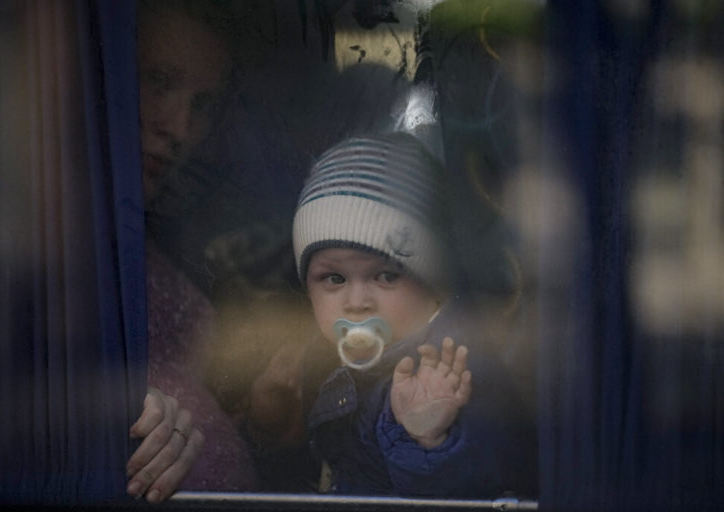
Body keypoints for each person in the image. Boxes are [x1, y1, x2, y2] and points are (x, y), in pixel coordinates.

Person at [290, 132, 537, 498]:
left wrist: (429, 440)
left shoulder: (454, 369)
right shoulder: (324, 360)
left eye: (387, 276)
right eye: (334, 278)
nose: (357, 301)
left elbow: (483, 485)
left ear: (434, 283)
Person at [125, 0, 258, 503]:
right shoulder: (17, 248)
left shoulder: (165, 242)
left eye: (202, 106)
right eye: (157, 81)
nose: (179, 128)